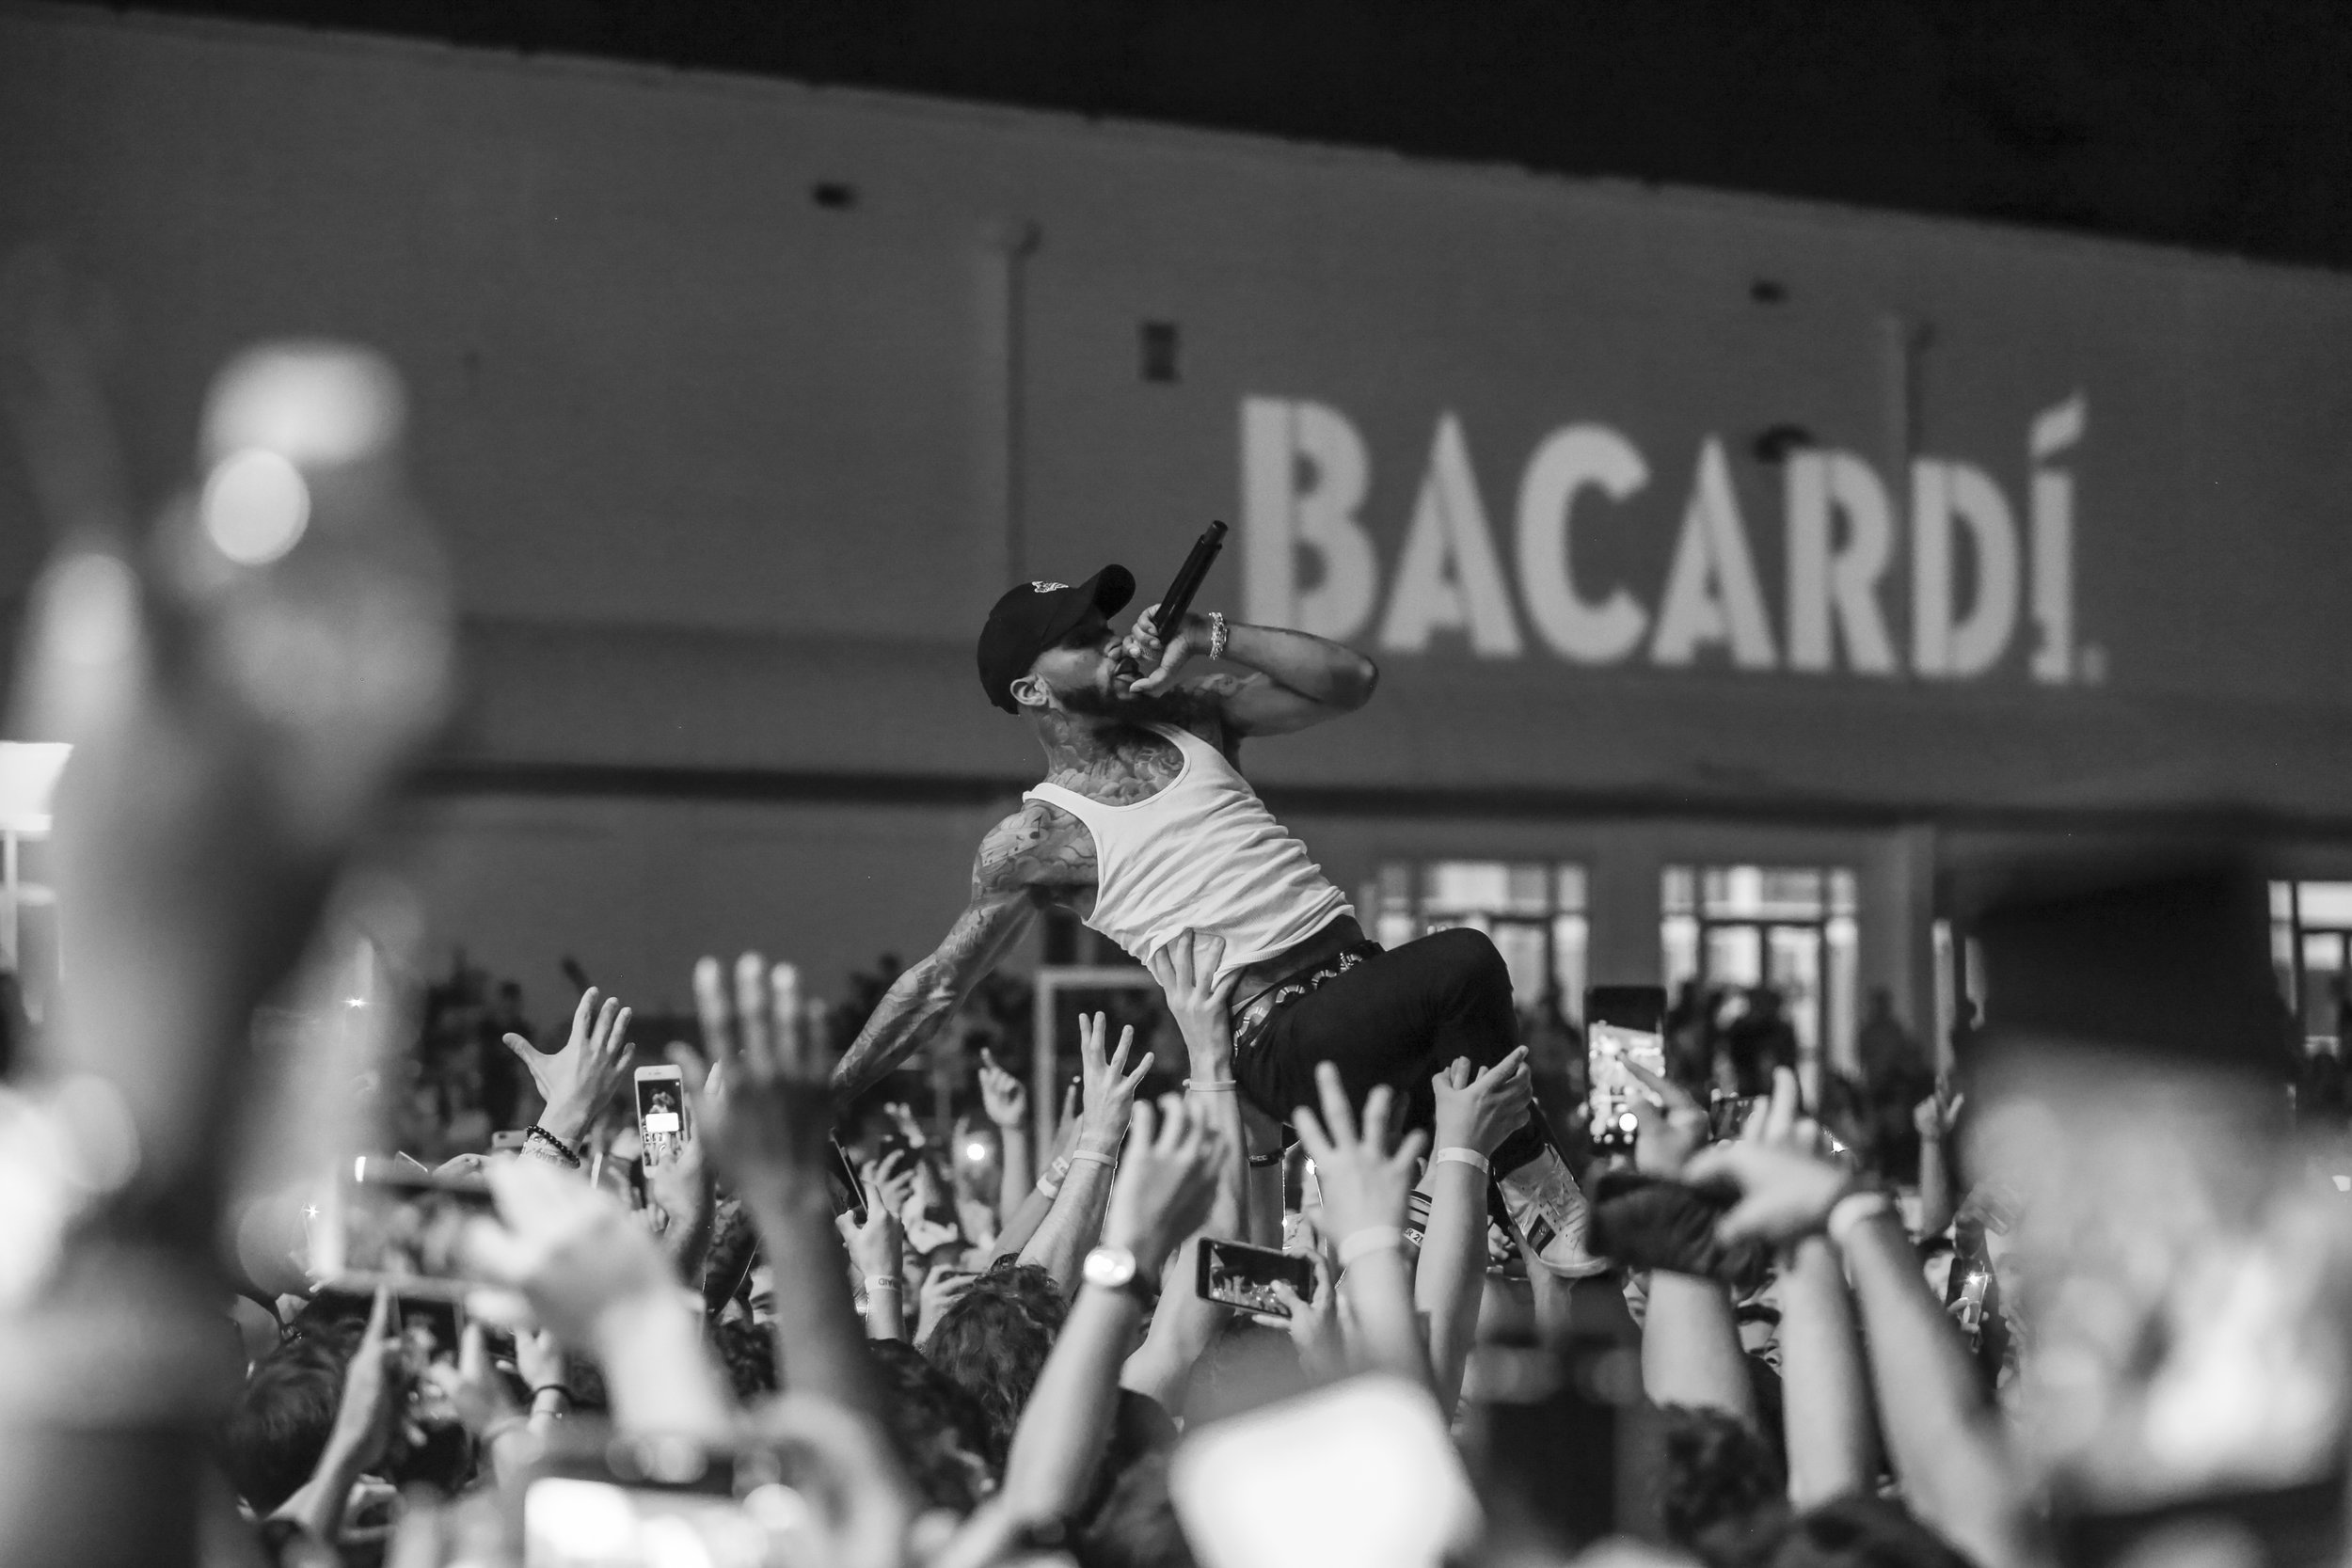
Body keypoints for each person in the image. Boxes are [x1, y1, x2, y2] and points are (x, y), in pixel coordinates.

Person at [830, 567, 1598, 1274]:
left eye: (1104, 625)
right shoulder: (1039, 837)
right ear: (1033, 690)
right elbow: (936, 986)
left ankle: (1509, 1223)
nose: (1107, 639)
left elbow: (1352, 680)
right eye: (1079, 639)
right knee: (1463, 961)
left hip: (1364, 987)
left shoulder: (1190, 717)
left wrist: (1205, 634)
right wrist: (833, 1093)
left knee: (1490, 1246)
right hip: (1279, 1034)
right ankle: (1530, 1180)